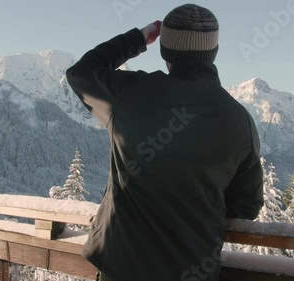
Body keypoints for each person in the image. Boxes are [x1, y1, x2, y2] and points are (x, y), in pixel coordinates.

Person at [66, 4, 263, 281]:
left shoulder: (129, 94)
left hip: (122, 268)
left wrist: (137, 39)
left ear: (166, 52)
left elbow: (80, 73)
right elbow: (246, 206)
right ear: (213, 52)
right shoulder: (239, 119)